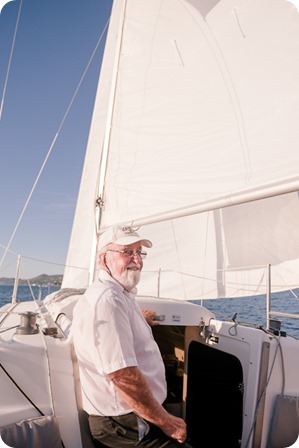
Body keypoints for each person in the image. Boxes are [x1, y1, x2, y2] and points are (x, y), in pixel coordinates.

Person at [72, 225, 192, 447]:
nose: (136, 259)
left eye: (139, 252)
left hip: (135, 416)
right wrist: (167, 422)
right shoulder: (107, 302)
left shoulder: (120, 294)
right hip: (125, 424)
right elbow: (122, 375)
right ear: (103, 259)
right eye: (127, 252)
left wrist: (139, 320)